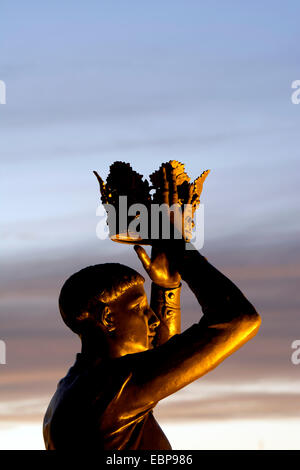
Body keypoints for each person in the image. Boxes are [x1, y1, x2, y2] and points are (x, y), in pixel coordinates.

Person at [43, 168, 261, 450]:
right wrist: (172, 239)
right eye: (139, 309)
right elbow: (239, 320)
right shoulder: (110, 390)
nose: (154, 319)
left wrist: (167, 287)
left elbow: (166, 361)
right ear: (108, 318)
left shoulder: (80, 384)